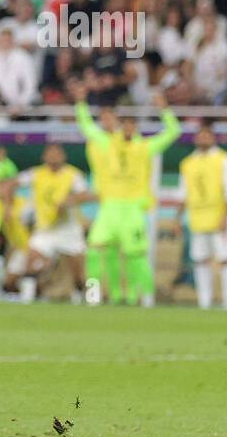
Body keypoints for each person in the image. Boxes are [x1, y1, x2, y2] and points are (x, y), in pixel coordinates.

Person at [74, 86, 180, 306]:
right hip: (110, 206)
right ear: (121, 126)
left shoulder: (145, 147)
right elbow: (87, 127)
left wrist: (165, 110)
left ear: (137, 127)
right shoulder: (108, 144)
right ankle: (99, 296)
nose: (129, 128)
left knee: (135, 255)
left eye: (133, 124)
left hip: (133, 207)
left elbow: (173, 132)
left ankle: (137, 297)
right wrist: (81, 103)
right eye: (126, 124)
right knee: (96, 250)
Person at [162, 122, 227, 310]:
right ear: (195, 138)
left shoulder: (224, 159)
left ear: (213, 138)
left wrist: (225, 218)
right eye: (200, 135)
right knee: (200, 260)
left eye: (207, 135)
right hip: (197, 218)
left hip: (219, 217)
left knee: (225, 259)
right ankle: (204, 303)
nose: (203, 139)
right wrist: (177, 219)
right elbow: (183, 194)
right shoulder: (187, 163)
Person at [9, 143, 95, 304]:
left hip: (68, 229)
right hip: (46, 228)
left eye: (57, 154)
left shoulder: (72, 175)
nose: (53, 157)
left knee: (79, 274)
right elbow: (10, 183)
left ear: (63, 156)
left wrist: (69, 201)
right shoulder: (36, 174)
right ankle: (27, 298)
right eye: (50, 153)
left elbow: (85, 195)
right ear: (44, 157)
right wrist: (8, 205)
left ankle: (82, 298)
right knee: (32, 259)